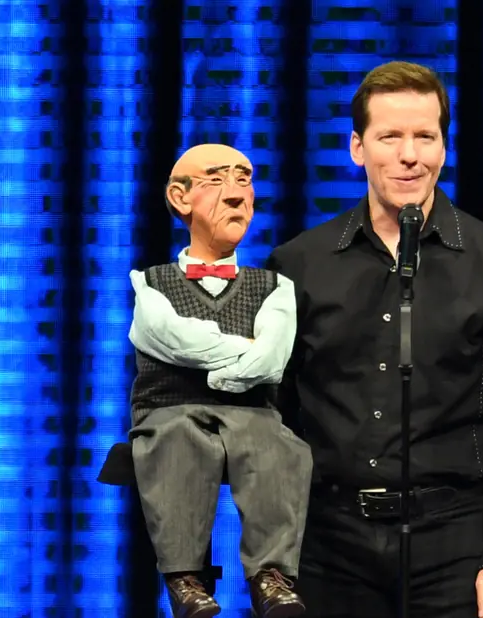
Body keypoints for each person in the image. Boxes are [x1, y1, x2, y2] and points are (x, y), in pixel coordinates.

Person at [266, 61, 483, 618]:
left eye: (425, 136)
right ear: (357, 148)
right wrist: (271, 550)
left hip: (456, 546)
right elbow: (272, 420)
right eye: (390, 137)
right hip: (329, 547)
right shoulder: (298, 266)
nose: (410, 155)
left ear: (443, 147)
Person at [125, 143, 312, 618]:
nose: (236, 195)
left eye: (244, 180)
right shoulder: (150, 283)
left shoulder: (276, 287)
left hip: (252, 415)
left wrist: (223, 366)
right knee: (177, 440)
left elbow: (271, 361)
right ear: (180, 197)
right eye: (217, 180)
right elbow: (172, 337)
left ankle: (271, 576)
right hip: (169, 410)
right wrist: (239, 359)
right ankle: (185, 577)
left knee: (279, 447)